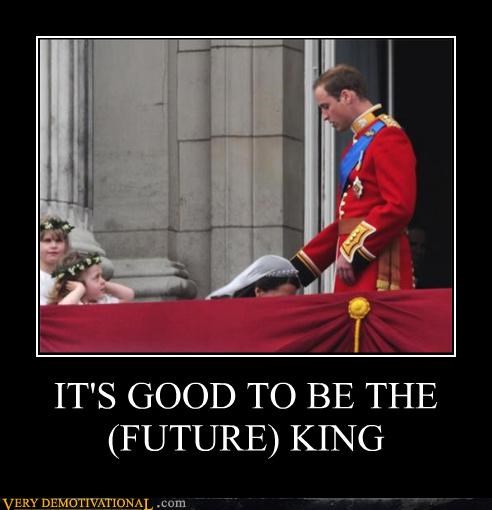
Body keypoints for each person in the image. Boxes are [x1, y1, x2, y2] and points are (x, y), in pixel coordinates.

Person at [291, 64, 417, 292]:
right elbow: (345, 225)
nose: (324, 116)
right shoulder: (358, 144)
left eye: (326, 106)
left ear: (346, 96)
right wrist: (294, 274)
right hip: (354, 270)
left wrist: (354, 251)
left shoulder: (388, 137)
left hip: (377, 269)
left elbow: (398, 207)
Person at [49, 251, 135, 305]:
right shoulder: (75, 303)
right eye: (96, 277)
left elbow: (129, 295)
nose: (103, 280)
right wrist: (79, 289)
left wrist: (103, 284)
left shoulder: (104, 301)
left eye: (101, 276)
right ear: (77, 282)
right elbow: (63, 309)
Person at [207, 255, 300, 299]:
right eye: (281, 300)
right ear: (259, 291)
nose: (288, 306)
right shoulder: (225, 311)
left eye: (292, 301)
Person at [40, 215, 74, 305]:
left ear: (66, 245)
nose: (54, 246)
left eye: (58, 241)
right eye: (47, 240)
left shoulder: (71, 277)